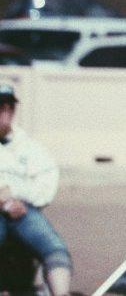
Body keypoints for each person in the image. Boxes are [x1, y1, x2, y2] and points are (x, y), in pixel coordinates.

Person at [0, 83, 72, 296]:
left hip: (22, 210)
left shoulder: (31, 148)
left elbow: (45, 188)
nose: (4, 116)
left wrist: (12, 196)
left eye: (8, 109)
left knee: (54, 248)